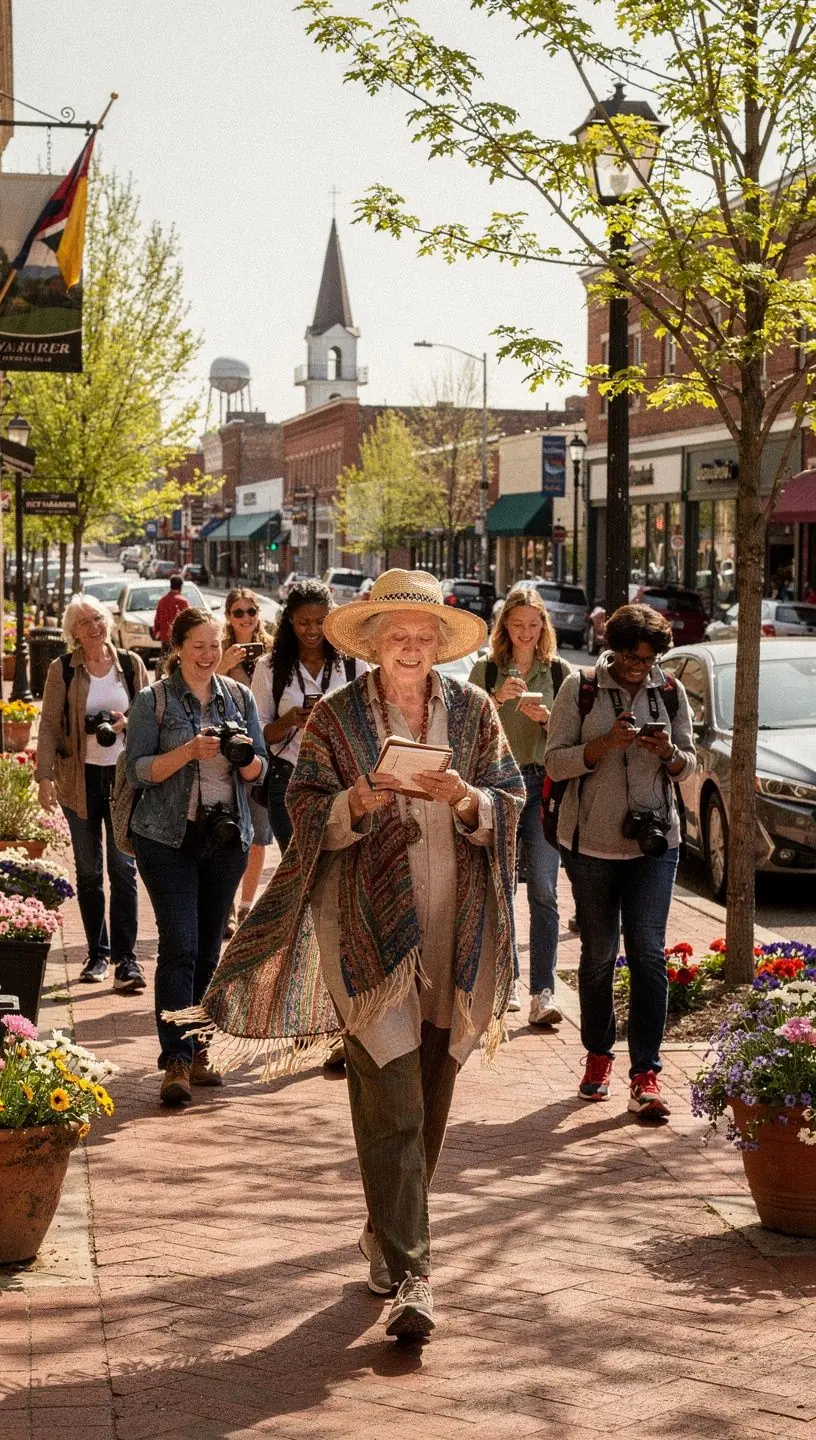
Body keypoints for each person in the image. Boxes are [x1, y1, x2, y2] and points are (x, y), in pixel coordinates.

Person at [168, 571, 524, 1339]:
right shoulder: (334, 717)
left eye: (421, 634)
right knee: (391, 1090)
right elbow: (299, 810)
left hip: (455, 928)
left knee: (429, 1093)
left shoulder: (473, 710)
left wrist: (467, 798)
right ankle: (416, 1279)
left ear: (437, 643)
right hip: (365, 931)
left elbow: (509, 801)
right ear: (371, 641)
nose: (408, 644)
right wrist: (349, 806)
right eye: (395, 632)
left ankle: (387, 1234)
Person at [544, 603, 695, 1118]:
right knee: (600, 952)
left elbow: (688, 765)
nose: (640, 667)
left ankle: (646, 1073)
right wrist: (604, 744)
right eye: (632, 657)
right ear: (614, 648)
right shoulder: (580, 687)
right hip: (592, 846)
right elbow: (555, 761)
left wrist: (667, 753)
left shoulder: (668, 691)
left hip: (655, 845)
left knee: (649, 953)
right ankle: (597, 1057)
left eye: (649, 658)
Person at [124, 607, 267, 1107]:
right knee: (180, 945)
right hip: (166, 838)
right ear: (178, 648)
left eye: (214, 646)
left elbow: (259, 773)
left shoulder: (240, 698)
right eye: (198, 646)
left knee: (209, 949)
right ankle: (175, 1060)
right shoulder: (153, 701)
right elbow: (137, 771)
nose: (208, 655)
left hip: (225, 840)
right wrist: (188, 752)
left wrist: (245, 757)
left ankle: (201, 1048)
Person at [470, 588, 572, 1028]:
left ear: (543, 627)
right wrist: (496, 699)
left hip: (543, 782)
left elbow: (572, 733)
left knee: (545, 891)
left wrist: (548, 719)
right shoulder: (487, 668)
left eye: (534, 625)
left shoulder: (560, 672)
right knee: (503, 885)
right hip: (500, 782)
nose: (526, 633)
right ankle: (508, 980)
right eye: (517, 624)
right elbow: (465, 724)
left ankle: (542, 991)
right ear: (504, 627)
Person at [35, 595, 149, 991]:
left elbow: (148, 717)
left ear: (108, 620)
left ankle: (127, 961)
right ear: (72, 632)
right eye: (84, 622)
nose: (94, 626)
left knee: (123, 869)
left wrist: (125, 721)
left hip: (121, 781)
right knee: (88, 872)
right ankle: (97, 955)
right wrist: (44, 777)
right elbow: (49, 724)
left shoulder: (130, 666)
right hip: (78, 780)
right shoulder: (62, 669)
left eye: (98, 618)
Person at [250, 579, 367, 857]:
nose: (313, 630)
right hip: (288, 779)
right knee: (300, 867)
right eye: (304, 622)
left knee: (336, 867)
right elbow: (259, 733)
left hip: (342, 781)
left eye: (321, 621)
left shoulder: (353, 664)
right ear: (290, 620)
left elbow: (369, 722)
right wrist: (289, 720)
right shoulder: (269, 668)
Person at [217, 588, 274, 929]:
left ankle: (246, 905)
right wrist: (224, 664)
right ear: (228, 617)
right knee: (227, 835)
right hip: (225, 756)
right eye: (238, 613)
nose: (246, 618)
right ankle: (223, 907)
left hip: (261, 754)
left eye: (251, 611)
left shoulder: (271, 651)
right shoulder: (219, 652)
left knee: (258, 835)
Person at [153, 575, 188, 670]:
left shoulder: (162, 600)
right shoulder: (183, 601)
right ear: (181, 586)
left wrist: (156, 632)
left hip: (165, 637)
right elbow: (188, 622)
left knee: (163, 663)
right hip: (179, 639)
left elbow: (157, 619)